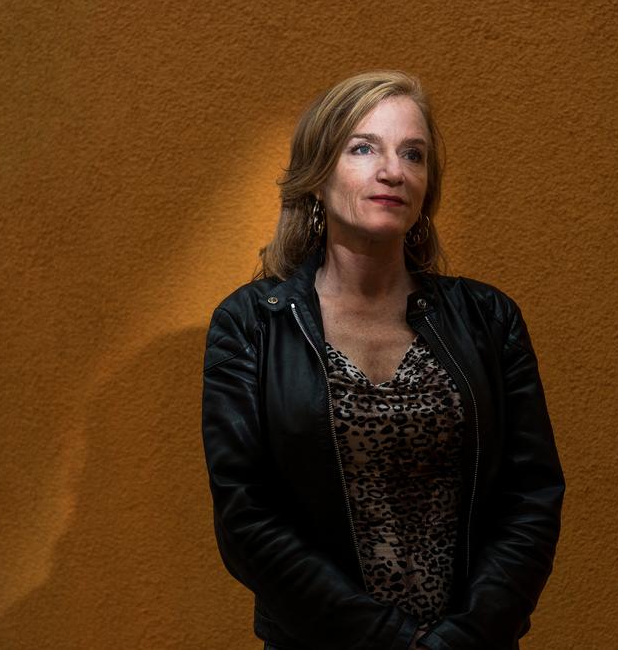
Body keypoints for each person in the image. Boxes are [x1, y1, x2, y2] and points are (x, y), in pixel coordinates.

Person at [202, 70, 564, 649]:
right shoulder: (252, 325)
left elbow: (532, 497)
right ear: (317, 176)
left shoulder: (489, 319)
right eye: (364, 148)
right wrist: (389, 642)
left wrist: (463, 639)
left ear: (427, 187)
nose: (393, 171)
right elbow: (246, 516)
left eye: (412, 154)